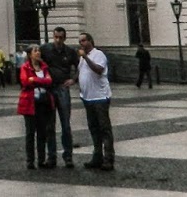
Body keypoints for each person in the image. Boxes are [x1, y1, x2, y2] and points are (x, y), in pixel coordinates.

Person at [40, 26, 78, 167]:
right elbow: (33, 58)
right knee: (50, 125)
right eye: (56, 37)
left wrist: (74, 79)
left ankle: (68, 156)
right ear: (53, 36)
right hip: (49, 88)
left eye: (61, 38)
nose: (58, 40)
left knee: (66, 125)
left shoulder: (70, 51)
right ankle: (52, 157)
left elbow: (80, 66)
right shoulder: (45, 49)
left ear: (64, 38)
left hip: (62, 88)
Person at [76, 32, 114, 171]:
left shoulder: (98, 54)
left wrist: (85, 57)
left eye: (84, 40)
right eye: (80, 41)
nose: (82, 43)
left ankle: (108, 158)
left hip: (100, 97)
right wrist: (74, 80)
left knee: (104, 129)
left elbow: (98, 70)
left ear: (91, 41)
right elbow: (81, 72)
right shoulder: (82, 58)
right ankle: (97, 157)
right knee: (94, 129)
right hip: (88, 97)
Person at [17, 43, 57, 169]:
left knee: (42, 132)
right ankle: (30, 160)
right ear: (29, 54)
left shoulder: (44, 67)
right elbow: (24, 81)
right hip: (30, 103)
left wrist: (34, 80)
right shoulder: (25, 67)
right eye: (35, 51)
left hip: (43, 103)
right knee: (30, 133)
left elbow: (49, 81)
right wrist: (39, 81)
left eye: (39, 50)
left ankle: (41, 159)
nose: (38, 52)